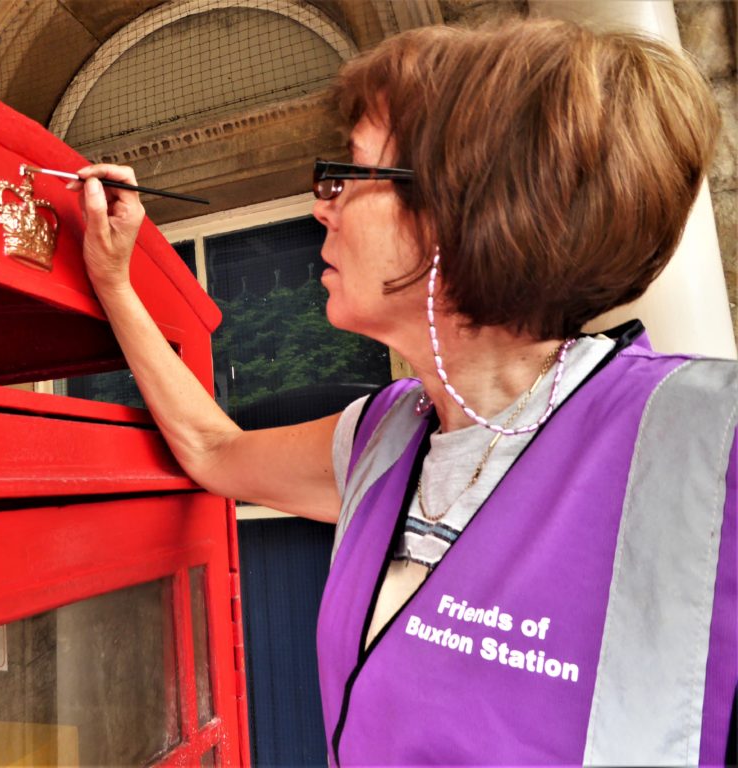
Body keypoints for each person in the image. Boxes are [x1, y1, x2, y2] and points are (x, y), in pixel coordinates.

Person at [67, 18, 736, 766]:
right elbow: (212, 448)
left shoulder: (712, 438)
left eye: (347, 175)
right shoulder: (382, 437)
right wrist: (115, 282)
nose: (323, 206)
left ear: (459, 205)